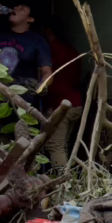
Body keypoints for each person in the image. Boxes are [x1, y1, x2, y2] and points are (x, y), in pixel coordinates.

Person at [36, 15, 85, 168]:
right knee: (63, 146)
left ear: (48, 31)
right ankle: (69, 182)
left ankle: (63, 186)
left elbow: (47, 79)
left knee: (55, 146)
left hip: (60, 104)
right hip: (76, 103)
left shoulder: (50, 50)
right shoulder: (72, 50)